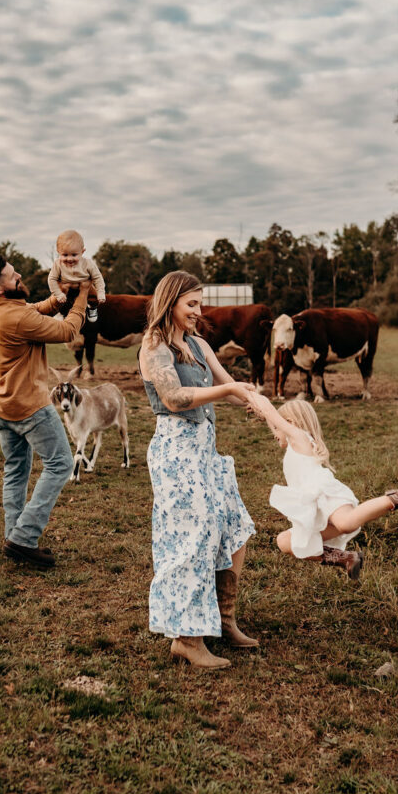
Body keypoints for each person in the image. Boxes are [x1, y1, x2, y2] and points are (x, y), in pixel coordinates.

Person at [138, 271, 258, 670]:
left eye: (199, 303)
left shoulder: (199, 344)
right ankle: (187, 639)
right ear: (170, 302)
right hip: (176, 451)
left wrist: (272, 411)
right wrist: (228, 391)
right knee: (191, 538)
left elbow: (234, 387)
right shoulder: (154, 348)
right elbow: (174, 398)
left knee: (234, 526)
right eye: (191, 304)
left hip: (205, 448)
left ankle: (223, 621)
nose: (198, 311)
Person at [0, 254, 90, 568]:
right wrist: (82, 297)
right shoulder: (16, 319)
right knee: (60, 464)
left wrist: (56, 300)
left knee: (15, 470)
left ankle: (14, 537)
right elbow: (68, 331)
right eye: (13, 276)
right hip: (27, 407)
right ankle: (24, 537)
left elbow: (28, 310)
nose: (19, 276)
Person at [246, 394, 398, 579]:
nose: (273, 433)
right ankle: (346, 558)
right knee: (286, 542)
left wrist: (254, 400)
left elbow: (271, 412)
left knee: (346, 523)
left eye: (276, 428)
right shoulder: (295, 442)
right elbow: (272, 417)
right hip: (315, 508)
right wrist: (265, 416)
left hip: (325, 494)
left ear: (290, 423)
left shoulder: (299, 438)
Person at [47, 230, 106, 323]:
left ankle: (92, 309)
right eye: (65, 255)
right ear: (58, 252)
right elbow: (52, 279)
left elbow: (97, 278)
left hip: (85, 285)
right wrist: (58, 293)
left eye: (74, 255)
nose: (70, 259)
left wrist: (101, 292)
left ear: (82, 252)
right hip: (66, 287)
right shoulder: (57, 264)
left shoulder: (88, 263)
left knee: (94, 298)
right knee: (60, 302)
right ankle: (57, 314)